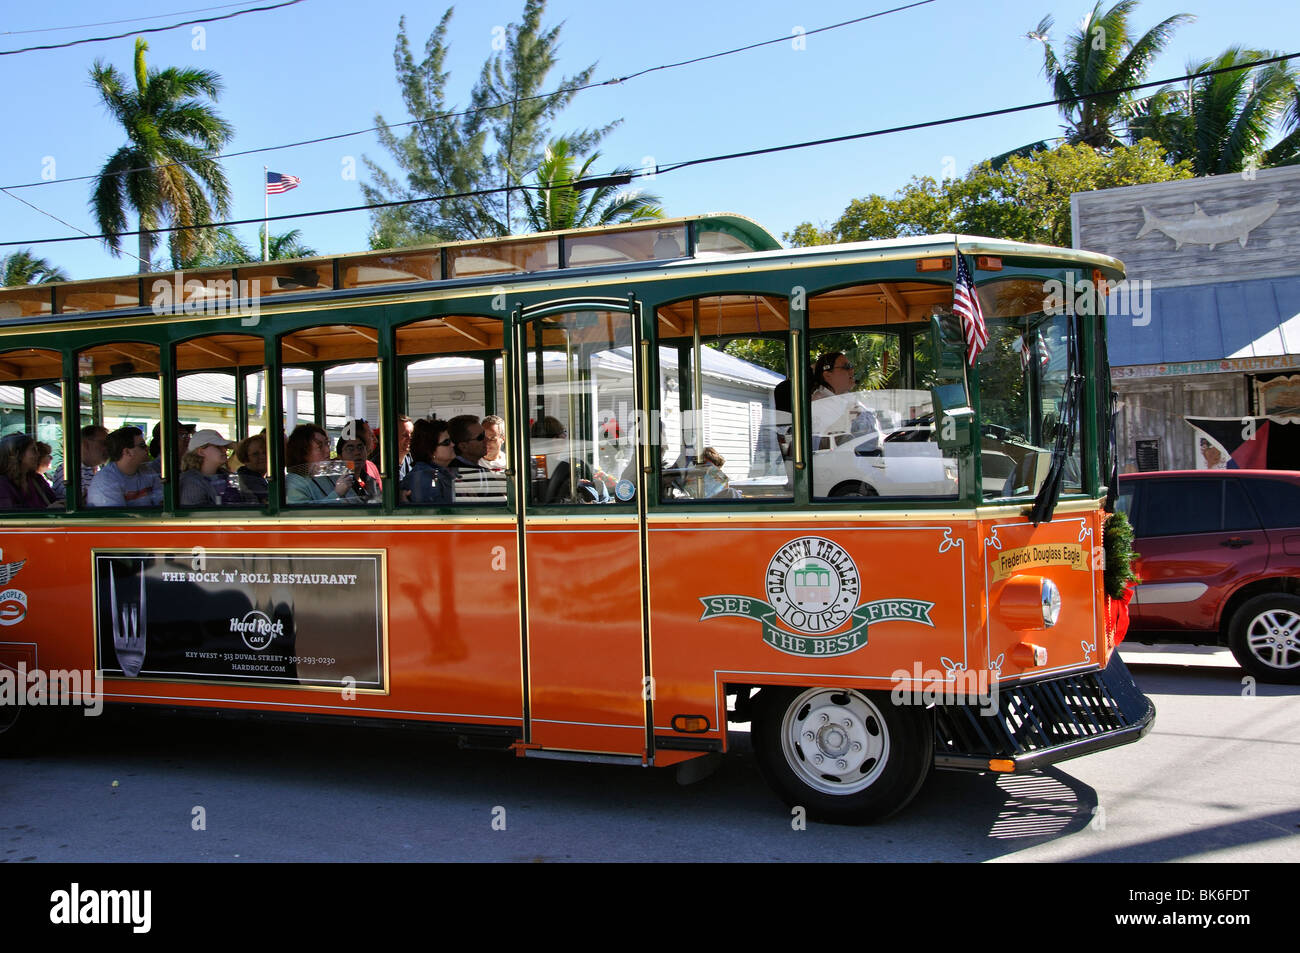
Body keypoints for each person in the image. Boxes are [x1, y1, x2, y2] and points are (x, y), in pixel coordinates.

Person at [809, 351, 881, 443]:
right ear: (827, 375)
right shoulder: (819, 404)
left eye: (851, 367)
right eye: (846, 367)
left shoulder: (846, 397)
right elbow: (829, 441)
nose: (852, 371)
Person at [87, 427, 163, 507]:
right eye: (142, 445)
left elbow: (162, 503)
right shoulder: (105, 481)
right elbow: (118, 518)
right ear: (127, 452)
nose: (147, 448)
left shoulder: (147, 471)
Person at [284, 424, 358, 504]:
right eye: (320, 447)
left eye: (327, 444)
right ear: (304, 452)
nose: (327, 450)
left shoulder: (330, 473)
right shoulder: (294, 482)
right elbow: (304, 514)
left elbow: (356, 501)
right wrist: (337, 494)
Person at [447, 414, 507, 503]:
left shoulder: (478, 470)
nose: (487, 441)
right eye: (481, 437)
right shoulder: (456, 473)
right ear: (463, 446)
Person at [178, 430, 242, 506]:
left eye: (224, 447)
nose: (224, 450)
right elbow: (196, 515)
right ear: (201, 452)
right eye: (218, 447)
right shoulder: (191, 482)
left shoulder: (226, 476)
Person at [49, 424, 109, 504]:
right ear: (85, 444)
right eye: (104, 443)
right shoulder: (67, 470)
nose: (107, 448)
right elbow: (78, 501)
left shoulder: (97, 471)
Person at [401, 418, 456, 504]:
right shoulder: (424, 478)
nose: (453, 444)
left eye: (451, 440)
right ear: (430, 450)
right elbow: (434, 514)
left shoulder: (440, 473)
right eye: (446, 442)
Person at [0, 433, 58, 509]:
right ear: (18, 454)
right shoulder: (3, 484)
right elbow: (11, 516)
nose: (37, 455)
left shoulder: (37, 480)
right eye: (33, 450)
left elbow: (53, 501)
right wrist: (47, 511)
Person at [336, 425, 382, 501]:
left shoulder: (370, 480)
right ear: (340, 456)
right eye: (350, 449)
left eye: (360, 448)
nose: (357, 452)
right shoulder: (337, 484)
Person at [233, 431, 269, 503]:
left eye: (265, 452)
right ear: (245, 458)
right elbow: (268, 501)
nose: (262, 456)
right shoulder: (248, 479)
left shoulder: (259, 478)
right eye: (255, 454)